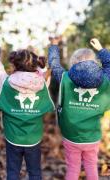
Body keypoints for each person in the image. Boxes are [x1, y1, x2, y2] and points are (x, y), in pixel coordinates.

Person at [48, 37, 110, 180]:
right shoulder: (105, 80)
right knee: (91, 166)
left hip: (71, 136)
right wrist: (101, 49)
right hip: (92, 136)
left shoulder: (65, 78)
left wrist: (54, 45)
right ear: (94, 63)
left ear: (74, 63)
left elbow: (54, 64)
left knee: (73, 168)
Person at [0, 48, 55, 180]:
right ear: (35, 64)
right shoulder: (42, 82)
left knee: (12, 172)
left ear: (14, 64)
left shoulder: (6, 82)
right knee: (34, 173)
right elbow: (46, 70)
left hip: (13, 137)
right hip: (33, 138)